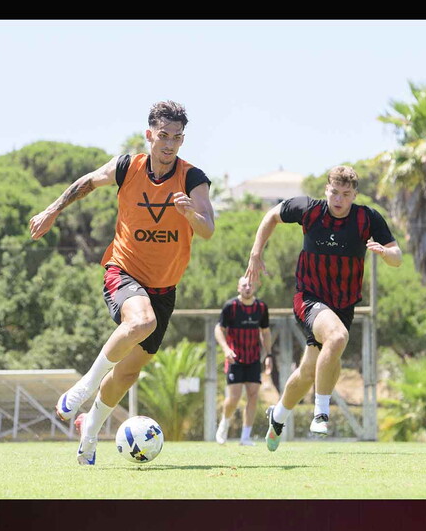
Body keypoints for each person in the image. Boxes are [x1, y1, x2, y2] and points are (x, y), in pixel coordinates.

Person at [29, 101, 215, 465]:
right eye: (163, 135)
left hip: (164, 289)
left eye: (177, 137)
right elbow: (86, 182)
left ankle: (89, 429)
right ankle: (82, 388)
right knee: (141, 322)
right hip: (123, 270)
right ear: (149, 135)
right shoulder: (128, 167)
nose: (169, 144)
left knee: (127, 372)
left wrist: (190, 213)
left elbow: (207, 229)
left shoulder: (193, 179)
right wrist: (52, 210)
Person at [245, 165, 402, 451]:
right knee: (337, 337)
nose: (339, 199)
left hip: (343, 303)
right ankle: (321, 413)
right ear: (326, 190)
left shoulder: (367, 218)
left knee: (308, 370)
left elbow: (397, 256)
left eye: (346, 194)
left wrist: (385, 253)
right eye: (334, 192)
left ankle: (278, 416)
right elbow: (271, 216)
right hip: (309, 297)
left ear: (355, 195)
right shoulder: (309, 209)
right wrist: (256, 254)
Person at [214, 276, 273, 446]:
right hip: (235, 359)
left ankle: (245, 437)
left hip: (253, 358)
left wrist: (268, 355)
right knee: (234, 397)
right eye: (244, 285)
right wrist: (226, 349)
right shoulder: (230, 307)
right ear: (238, 288)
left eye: (250, 285)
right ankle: (224, 424)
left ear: (254, 287)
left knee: (253, 396)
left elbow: (265, 332)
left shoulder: (261, 307)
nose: (247, 287)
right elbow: (219, 329)